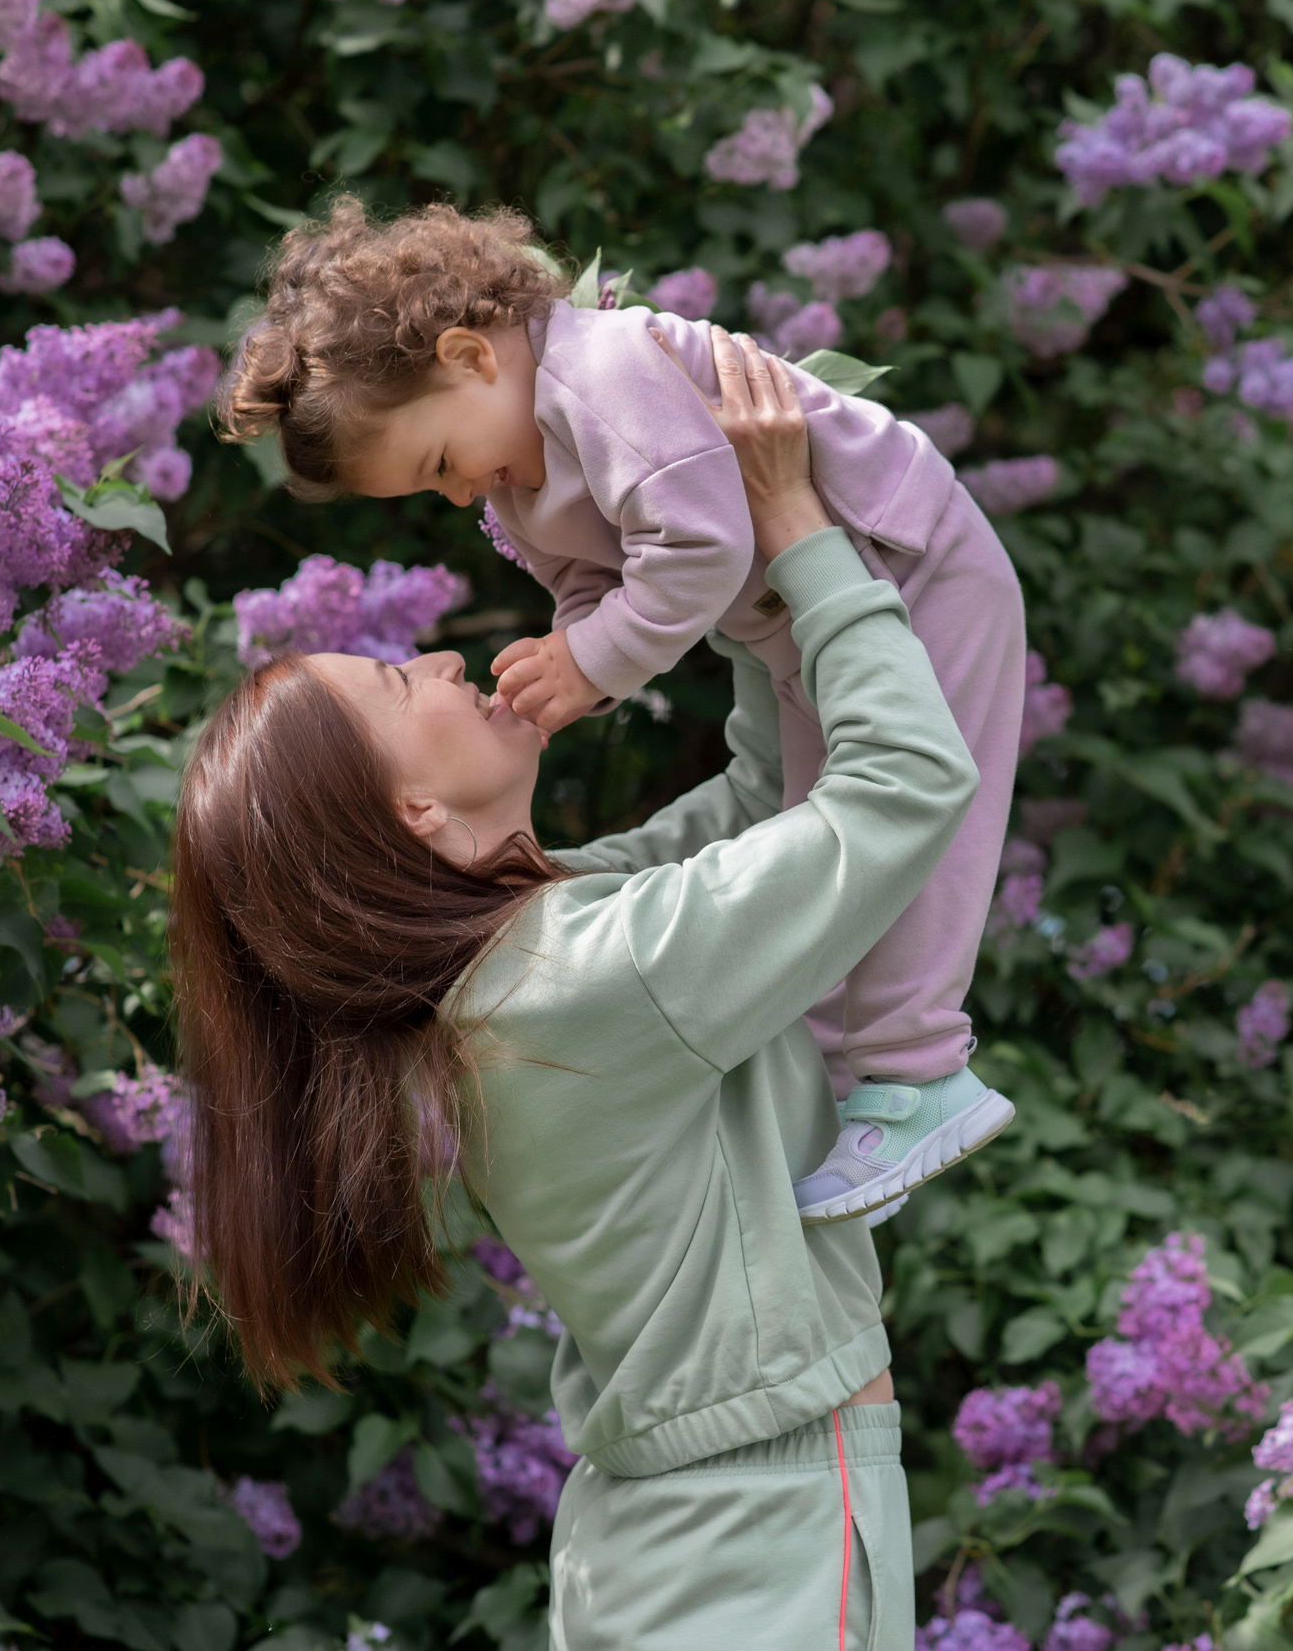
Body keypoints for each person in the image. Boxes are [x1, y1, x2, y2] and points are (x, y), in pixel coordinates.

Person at [174, 329, 966, 1648]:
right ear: (414, 811)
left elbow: (775, 803)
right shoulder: (580, 979)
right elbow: (899, 789)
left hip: (693, 1540)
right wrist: (799, 531)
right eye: (395, 681)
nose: (437, 661)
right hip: (749, 1552)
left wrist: (722, 560)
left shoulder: (532, 952)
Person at [214, 198, 1019, 1224]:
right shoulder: (517, 470)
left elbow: (701, 546)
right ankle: (844, 1090)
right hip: (809, 617)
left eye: (438, 462)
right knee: (819, 831)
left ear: (468, 355)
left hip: (911, 564)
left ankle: (920, 1069)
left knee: (914, 825)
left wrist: (593, 662)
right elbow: (602, 581)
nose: (460, 494)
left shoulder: (601, 371)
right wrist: (569, 651)